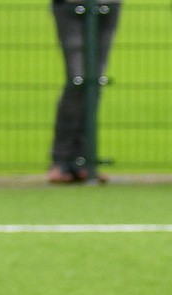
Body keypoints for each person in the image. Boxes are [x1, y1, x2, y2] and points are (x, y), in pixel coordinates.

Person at [49, 0, 122, 184]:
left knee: (95, 82)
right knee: (78, 80)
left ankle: (84, 160)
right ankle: (61, 160)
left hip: (108, 4)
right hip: (70, 5)